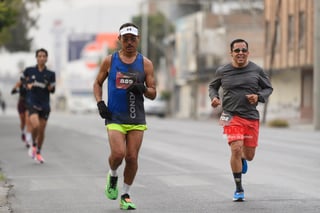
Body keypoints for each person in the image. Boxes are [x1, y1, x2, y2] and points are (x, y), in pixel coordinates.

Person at [93, 23, 156, 210]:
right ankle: (112, 175)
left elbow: (153, 93)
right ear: (119, 40)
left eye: (132, 39)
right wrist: (100, 103)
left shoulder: (146, 64)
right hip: (115, 117)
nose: (129, 42)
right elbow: (97, 83)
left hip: (136, 118)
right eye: (125, 38)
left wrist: (143, 89)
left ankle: (126, 194)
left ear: (138, 40)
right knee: (119, 154)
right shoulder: (110, 61)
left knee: (132, 158)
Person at [208, 38, 273, 201]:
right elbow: (212, 86)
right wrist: (214, 97)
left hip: (251, 116)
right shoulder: (223, 71)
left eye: (243, 50)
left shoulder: (256, 70)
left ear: (248, 52)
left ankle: (243, 159)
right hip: (229, 115)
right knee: (235, 148)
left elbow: (268, 88)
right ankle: (239, 189)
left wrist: (258, 97)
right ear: (231, 53)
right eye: (237, 50)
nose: (240, 53)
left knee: (249, 155)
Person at [23, 48, 56, 163]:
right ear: (36, 58)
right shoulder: (29, 70)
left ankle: (38, 152)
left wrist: (49, 87)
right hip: (33, 103)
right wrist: (27, 85)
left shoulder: (51, 74)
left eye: (44, 56)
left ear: (46, 58)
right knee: (35, 125)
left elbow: (52, 90)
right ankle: (33, 144)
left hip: (45, 105)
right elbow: (23, 81)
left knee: (41, 131)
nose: (42, 58)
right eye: (40, 56)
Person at [11, 73, 32, 147]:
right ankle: (23, 132)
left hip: (29, 103)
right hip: (21, 103)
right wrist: (16, 90)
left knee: (28, 120)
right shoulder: (20, 83)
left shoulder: (31, 83)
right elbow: (12, 91)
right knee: (22, 120)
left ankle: (28, 140)